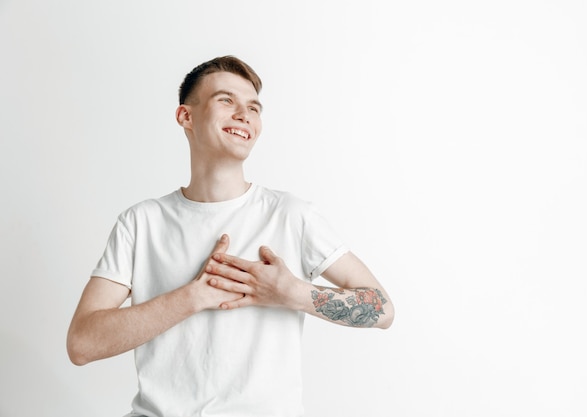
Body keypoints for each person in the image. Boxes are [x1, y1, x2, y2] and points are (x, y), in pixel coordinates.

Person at [67, 55, 394, 417]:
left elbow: (383, 310)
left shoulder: (290, 215)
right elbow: (82, 344)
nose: (245, 114)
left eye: (254, 107)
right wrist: (192, 297)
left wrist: (294, 293)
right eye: (226, 100)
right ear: (186, 117)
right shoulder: (141, 222)